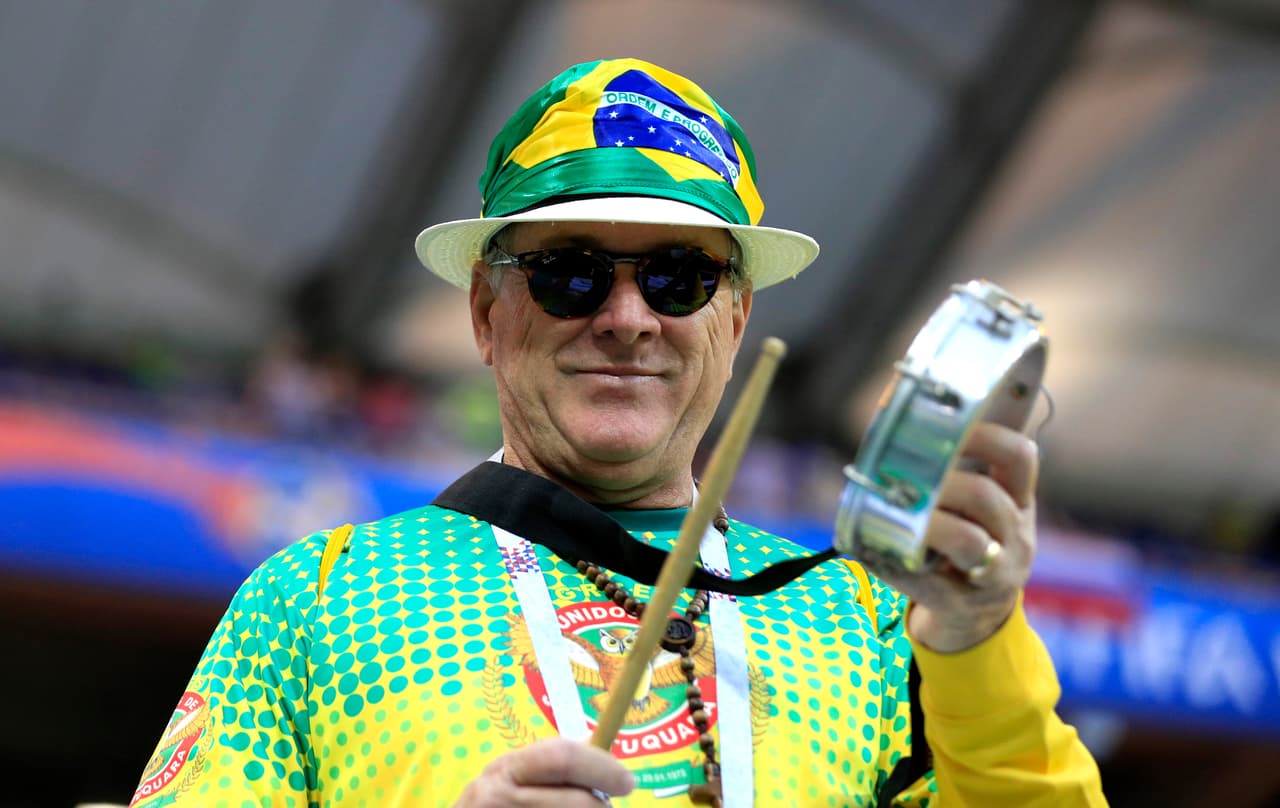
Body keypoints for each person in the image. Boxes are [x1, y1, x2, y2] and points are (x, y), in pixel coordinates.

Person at [132, 58, 1107, 808]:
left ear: (733, 319)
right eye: (569, 272)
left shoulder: (871, 623)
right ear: (484, 309)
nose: (627, 317)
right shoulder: (316, 595)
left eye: (679, 275)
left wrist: (979, 645)